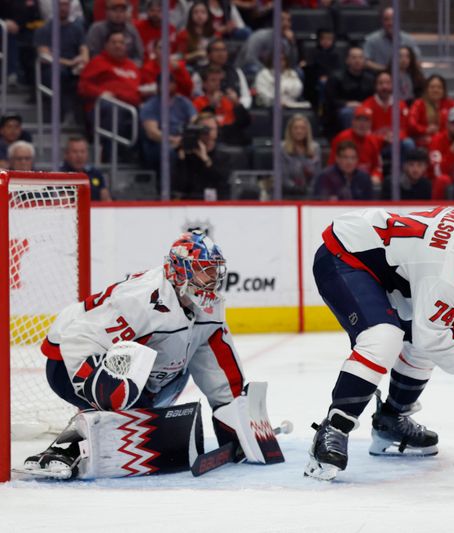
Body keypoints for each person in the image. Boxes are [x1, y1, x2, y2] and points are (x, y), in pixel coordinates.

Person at [21, 229, 275, 480]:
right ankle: (68, 445)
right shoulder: (142, 300)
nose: (212, 277)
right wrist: (100, 388)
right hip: (69, 360)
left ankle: (121, 414)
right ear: (179, 271)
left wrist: (231, 415)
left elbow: (214, 359)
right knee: (121, 388)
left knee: (174, 372)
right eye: (203, 269)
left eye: (214, 269)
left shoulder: (209, 305)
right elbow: (80, 336)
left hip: (136, 373)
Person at [305, 203, 454, 481]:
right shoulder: (448, 274)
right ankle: (333, 429)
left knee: (427, 337)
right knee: (384, 338)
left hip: (386, 266)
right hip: (346, 256)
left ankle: (391, 419)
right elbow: (431, 336)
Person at [34, 0, 89, 124]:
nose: (63, 8)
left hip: (73, 66)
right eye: (60, 5)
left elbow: (84, 50)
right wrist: (69, 62)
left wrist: (82, 60)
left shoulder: (77, 29)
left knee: (86, 73)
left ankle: (83, 121)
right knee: (58, 73)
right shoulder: (44, 29)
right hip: (52, 67)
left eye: (66, 5)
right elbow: (44, 54)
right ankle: (64, 114)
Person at [175, 113, 231, 200]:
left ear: (217, 131)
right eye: (204, 129)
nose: (207, 133)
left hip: (216, 205)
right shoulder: (188, 155)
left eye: (211, 129)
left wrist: (205, 159)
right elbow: (179, 186)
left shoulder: (224, 156)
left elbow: (222, 183)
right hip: (190, 203)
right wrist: (182, 159)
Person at [322, 46, 376, 137]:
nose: (357, 61)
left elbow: (374, 98)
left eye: (360, 58)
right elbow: (330, 100)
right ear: (347, 60)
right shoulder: (336, 77)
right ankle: (351, 139)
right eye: (354, 58)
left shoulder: (370, 79)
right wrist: (346, 104)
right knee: (348, 113)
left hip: (365, 108)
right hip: (341, 111)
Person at [327, 106, 384, 186]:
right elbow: (332, 164)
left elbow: (377, 166)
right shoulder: (341, 138)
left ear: (370, 124)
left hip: (366, 182)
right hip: (344, 181)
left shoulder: (374, 140)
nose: (362, 124)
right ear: (352, 121)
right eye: (359, 120)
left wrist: (376, 175)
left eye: (366, 121)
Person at [363, 7, 421, 72]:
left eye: (393, 19)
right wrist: (386, 70)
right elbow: (365, 61)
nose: (390, 23)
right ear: (382, 21)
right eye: (386, 19)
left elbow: (417, 61)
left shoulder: (409, 40)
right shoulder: (372, 39)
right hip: (379, 77)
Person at [407, 75, 454, 148]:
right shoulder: (419, 104)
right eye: (432, 87)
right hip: (423, 142)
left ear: (444, 90)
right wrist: (425, 129)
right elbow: (411, 124)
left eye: (439, 87)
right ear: (427, 89)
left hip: (446, 142)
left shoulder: (451, 104)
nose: (435, 90)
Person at [281, 114, 322, 198]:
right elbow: (283, 177)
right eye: (295, 128)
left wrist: (309, 190)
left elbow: (317, 176)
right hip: (287, 194)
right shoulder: (282, 149)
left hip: (310, 195)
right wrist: (297, 189)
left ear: (307, 130)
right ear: (290, 130)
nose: (299, 131)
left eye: (302, 128)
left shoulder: (315, 148)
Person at [59, 136, 112, 201]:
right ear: (66, 154)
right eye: (75, 152)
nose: (79, 156)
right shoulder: (60, 175)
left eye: (83, 151)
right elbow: (63, 202)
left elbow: (106, 200)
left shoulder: (95, 173)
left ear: (87, 153)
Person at [175, 1, 217, 70]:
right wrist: (196, 54)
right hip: (191, 67)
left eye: (203, 12)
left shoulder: (214, 34)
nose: (199, 15)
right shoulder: (183, 34)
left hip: (211, 66)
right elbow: (180, 57)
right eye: (196, 12)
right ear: (190, 16)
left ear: (208, 15)